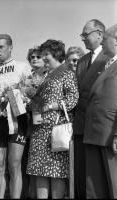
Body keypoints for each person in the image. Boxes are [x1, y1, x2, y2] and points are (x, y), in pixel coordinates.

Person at [26, 39, 79, 199]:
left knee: (56, 171)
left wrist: (51, 106)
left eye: (46, 54)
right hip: (40, 129)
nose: (43, 58)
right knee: (40, 170)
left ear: (55, 54)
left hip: (56, 129)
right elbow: (38, 100)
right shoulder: (45, 75)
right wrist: (28, 101)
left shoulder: (66, 72)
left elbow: (73, 98)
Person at [0, 34, 32, 198]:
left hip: (18, 119)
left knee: (14, 164)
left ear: (10, 47)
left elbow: (31, 90)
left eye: (0, 47)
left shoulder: (22, 66)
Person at [72, 19, 108, 199]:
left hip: (99, 126)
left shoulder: (110, 58)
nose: (83, 39)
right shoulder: (82, 60)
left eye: (86, 35)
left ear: (100, 35)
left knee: (98, 178)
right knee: (81, 173)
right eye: (82, 35)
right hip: (80, 125)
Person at [83, 24, 117, 199]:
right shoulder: (107, 64)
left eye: (106, 39)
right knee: (96, 189)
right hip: (95, 133)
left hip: (110, 134)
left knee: (114, 185)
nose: (102, 41)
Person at [23, 46, 47, 199]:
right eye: (32, 57)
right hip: (29, 122)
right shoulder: (27, 78)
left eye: (38, 56)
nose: (34, 59)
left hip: (46, 122)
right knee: (31, 163)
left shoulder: (49, 75)